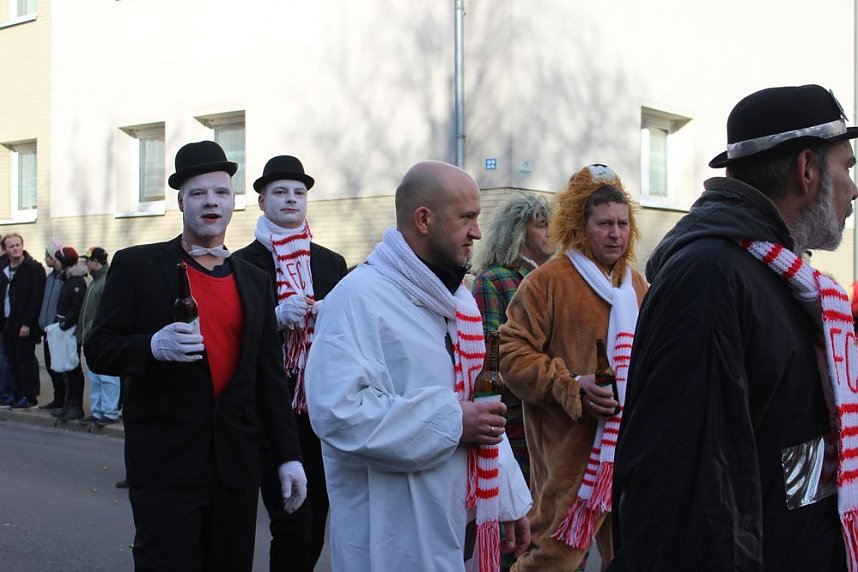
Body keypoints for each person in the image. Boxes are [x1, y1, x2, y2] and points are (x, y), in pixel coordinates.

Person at [610, 85, 858, 570]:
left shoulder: (777, 276)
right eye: (846, 167)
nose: (853, 186)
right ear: (806, 169)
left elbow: (782, 449)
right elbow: (685, 483)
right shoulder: (711, 277)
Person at [85, 140, 307, 572]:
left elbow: (270, 379)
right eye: (200, 193)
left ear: (233, 203)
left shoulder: (255, 278)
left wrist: (288, 455)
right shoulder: (137, 265)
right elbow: (98, 349)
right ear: (181, 201)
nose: (212, 202)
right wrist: (151, 345)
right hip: (165, 467)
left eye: (222, 193)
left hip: (235, 468)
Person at [305, 160, 532, 572]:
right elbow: (337, 412)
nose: (477, 233)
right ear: (424, 219)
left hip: (459, 522)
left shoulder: (458, 301)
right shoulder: (357, 298)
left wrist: (507, 498)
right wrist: (450, 421)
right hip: (392, 536)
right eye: (467, 218)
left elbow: (482, 408)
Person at [499, 165, 647, 571]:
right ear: (581, 226)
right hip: (567, 452)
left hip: (627, 448)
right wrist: (571, 386)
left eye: (622, 224)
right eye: (604, 224)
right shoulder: (548, 281)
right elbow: (509, 353)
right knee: (552, 558)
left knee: (631, 555)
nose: (615, 233)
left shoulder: (635, 285)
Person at [234, 155, 348, 571]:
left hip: (320, 407)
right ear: (262, 202)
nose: (290, 200)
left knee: (316, 519)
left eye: (298, 193)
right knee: (291, 521)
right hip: (269, 409)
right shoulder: (241, 263)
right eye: (279, 192)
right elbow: (232, 335)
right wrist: (276, 318)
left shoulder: (330, 263)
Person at [472, 192, 552, 485]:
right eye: (543, 225)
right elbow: (492, 357)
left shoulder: (557, 280)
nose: (551, 233)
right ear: (518, 231)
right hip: (517, 422)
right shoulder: (494, 280)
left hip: (557, 418)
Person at [0, 233, 46, 409]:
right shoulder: (3, 269)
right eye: (11, 246)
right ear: (5, 250)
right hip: (6, 323)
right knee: (11, 360)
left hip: (25, 325)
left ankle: (29, 396)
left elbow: (36, 298)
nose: (15, 249)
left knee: (24, 361)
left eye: (18, 245)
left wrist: (27, 323)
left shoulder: (33, 268)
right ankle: (16, 393)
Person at [77, 247, 121, 426]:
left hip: (102, 336)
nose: (85, 264)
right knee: (94, 375)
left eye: (87, 261)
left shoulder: (107, 281)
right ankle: (98, 411)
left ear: (96, 262)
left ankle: (110, 412)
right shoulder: (95, 281)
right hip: (92, 337)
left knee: (108, 377)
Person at [48, 246, 88, 422]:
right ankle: (68, 403)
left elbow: (77, 308)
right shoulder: (67, 279)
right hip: (64, 327)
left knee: (73, 367)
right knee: (65, 368)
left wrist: (65, 324)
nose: (55, 263)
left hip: (69, 330)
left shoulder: (77, 281)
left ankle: (76, 406)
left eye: (57, 260)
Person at [38, 248, 65, 410]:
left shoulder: (64, 279)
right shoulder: (49, 278)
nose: (45, 259)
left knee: (60, 366)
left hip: (58, 329)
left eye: (47, 256)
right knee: (50, 365)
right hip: (47, 329)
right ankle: (57, 397)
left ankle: (64, 399)